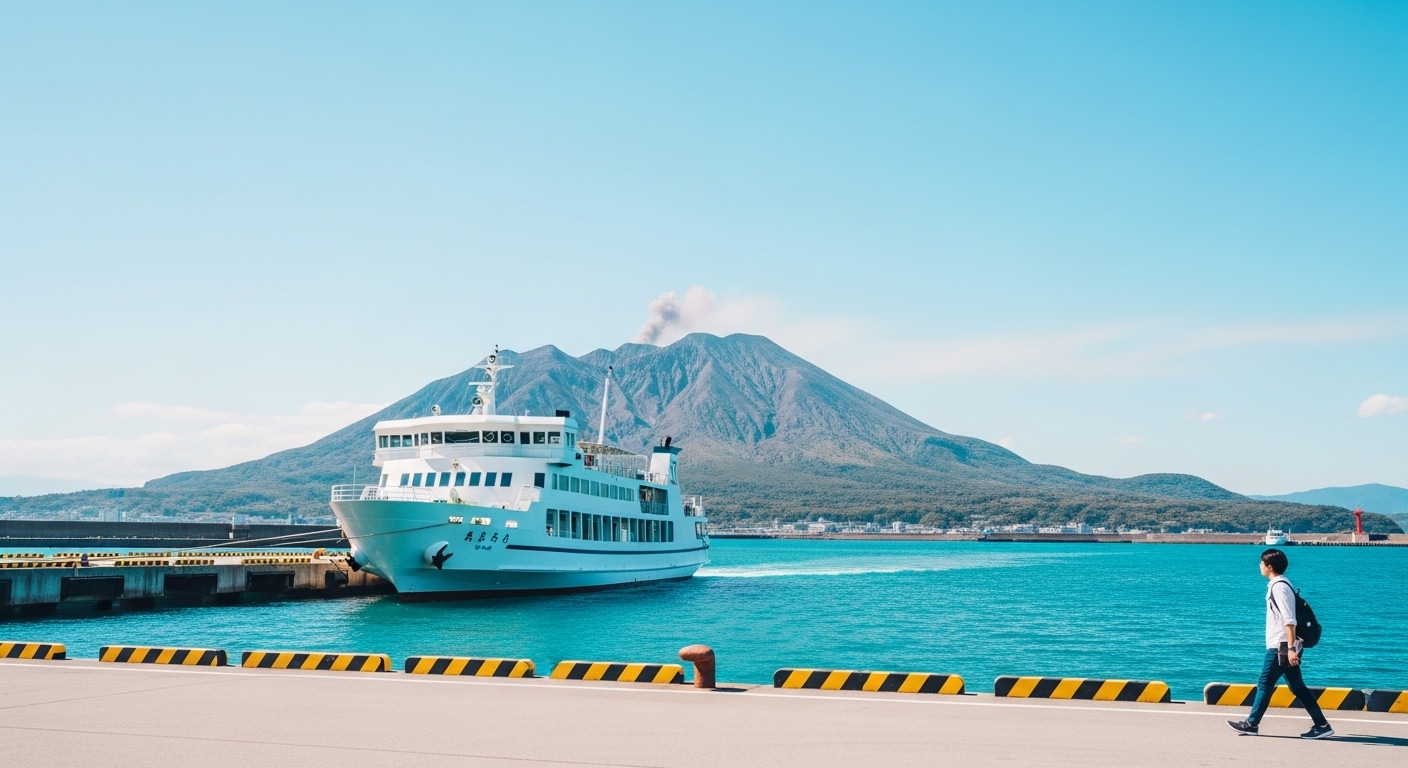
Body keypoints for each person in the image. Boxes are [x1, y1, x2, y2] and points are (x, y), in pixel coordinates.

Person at [1227, 548, 1333, 739]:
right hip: (1284, 645)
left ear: (1269, 566)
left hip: (1282, 646)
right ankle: (1322, 724)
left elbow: (1289, 620)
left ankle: (1252, 723)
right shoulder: (1278, 585)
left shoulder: (1279, 586)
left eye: (1261, 563)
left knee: (1265, 683)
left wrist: (1291, 649)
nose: (1259, 566)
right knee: (1297, 687)